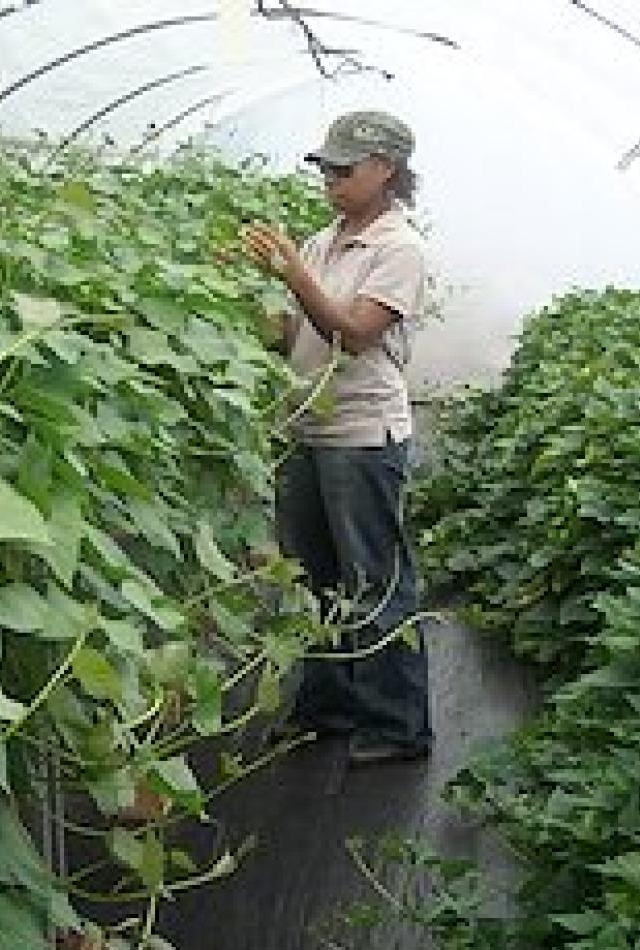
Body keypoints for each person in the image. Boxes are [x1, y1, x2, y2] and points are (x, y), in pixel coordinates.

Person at [241, 109, 433, 766]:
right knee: (314, 578)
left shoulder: (398, 249)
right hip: (307, 427)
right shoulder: (326, 240)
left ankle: (398, 725)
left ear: (386, 171)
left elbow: (353, 332)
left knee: (374, 579)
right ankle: (326, 706)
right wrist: (241, 300)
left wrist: (295, 275)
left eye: (344, 169)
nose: (332, 180)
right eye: (326, 168)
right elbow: (297, 336)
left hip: (360, 435)